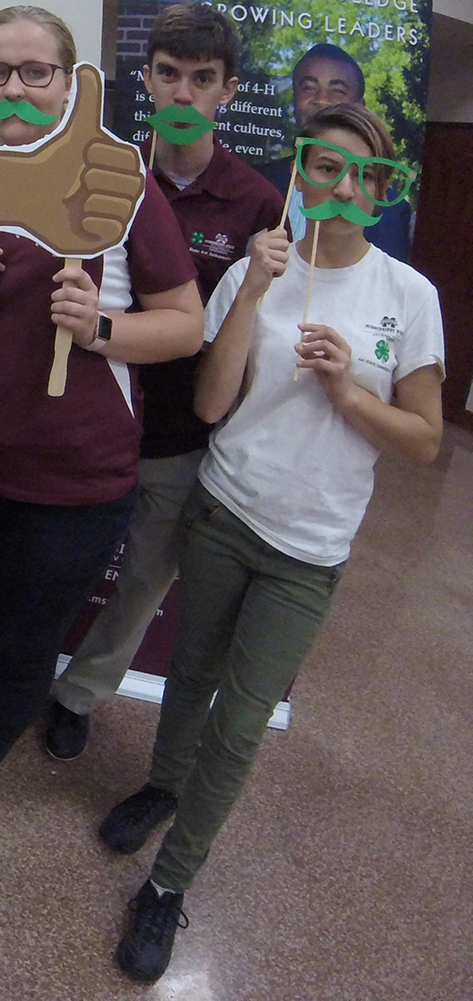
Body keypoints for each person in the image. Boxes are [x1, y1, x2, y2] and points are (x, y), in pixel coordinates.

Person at [102, 102, 442, 982]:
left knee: (244, 720)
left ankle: (171, 886)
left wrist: (349, 392)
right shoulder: (262, 270)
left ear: (377, 185)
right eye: (320, 166)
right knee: (189, 675)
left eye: (358, 171)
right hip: (223, 510)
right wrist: (252, 289)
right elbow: (212, 406)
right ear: (301, 174)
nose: (338, 184)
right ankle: (162, 784)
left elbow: (425, 440)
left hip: (311, 547)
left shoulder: (409, 296)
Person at [0, 5, 203, 849]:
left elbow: (185, 322)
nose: (13, 87)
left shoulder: (119, 186)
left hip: (73, 479)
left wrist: (101, 328)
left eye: (35, 71)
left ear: (69, 81)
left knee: (23, 641)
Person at [45, 3, 285, 760]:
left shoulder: (259, 205)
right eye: (170, 74)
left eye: (203, 79)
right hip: (87, 420)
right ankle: (20, 671)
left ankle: (79, 695)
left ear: (229, 91)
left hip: (181, 436)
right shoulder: (99, 171)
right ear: (147, 79)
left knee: (144, 581)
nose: (183, 93)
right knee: (49, 563)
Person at [263, 43, 412, 260]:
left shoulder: (391, 207)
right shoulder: (258, 184)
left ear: (360, 105)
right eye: (309, 88)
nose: (321, 100)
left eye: (337, 90)